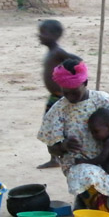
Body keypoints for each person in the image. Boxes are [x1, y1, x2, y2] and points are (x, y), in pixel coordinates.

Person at [37, 59, 109, 217]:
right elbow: (52, 149)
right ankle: (88, 198)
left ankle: (91, 199)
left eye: (74, 92)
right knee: (90, 177)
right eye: (65, 92)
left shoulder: (103, 100)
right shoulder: (58, 110)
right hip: (80, 166)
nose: (69, 97)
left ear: (85, 83)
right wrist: (64, 146)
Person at [36, 19, 79, 169]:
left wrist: (71, 79)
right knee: (50, 125)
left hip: (60, 97)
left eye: (43, 33)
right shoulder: (52, 53)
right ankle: (54, 157)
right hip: (54, 96)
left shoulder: (58, 52)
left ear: (55, 35)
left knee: (56, 126)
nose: (39, 36)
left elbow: (77, 61)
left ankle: (58, 156)